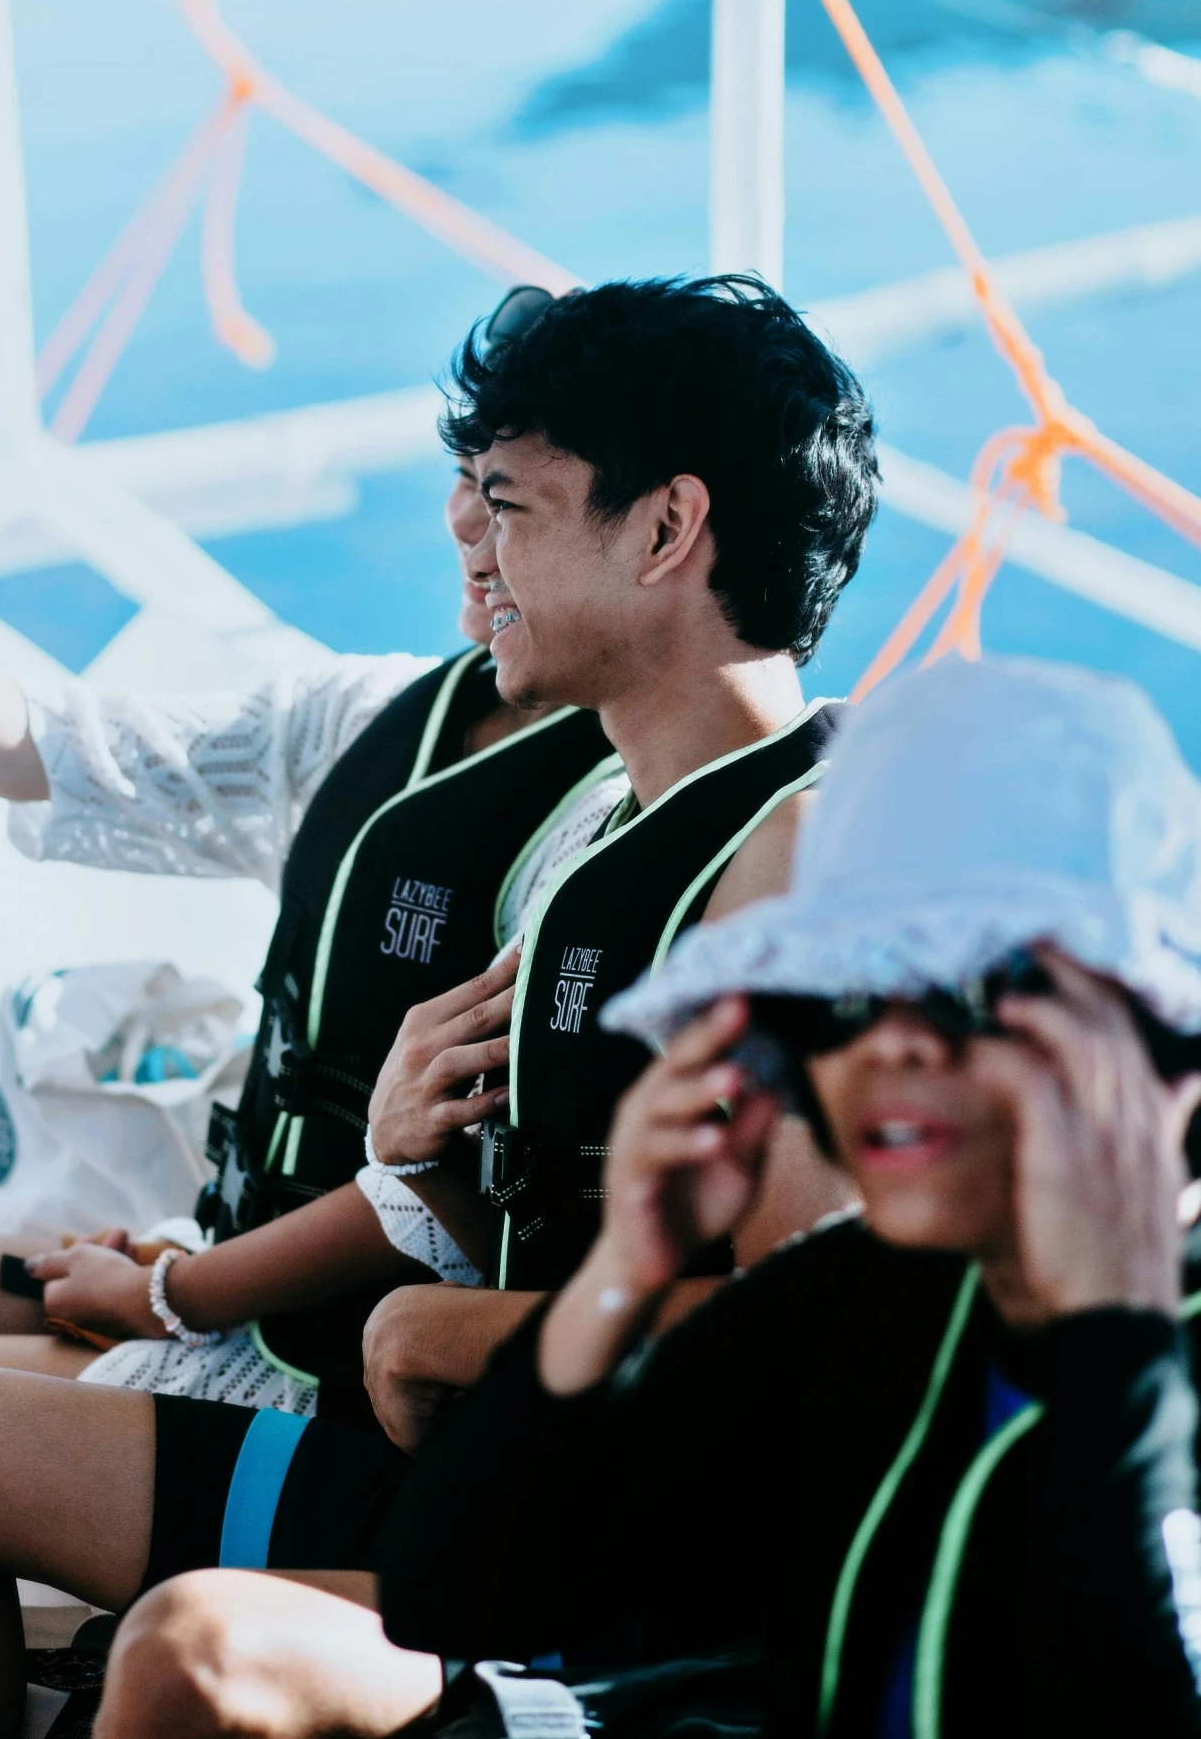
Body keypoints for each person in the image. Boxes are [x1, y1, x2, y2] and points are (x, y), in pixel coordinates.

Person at [0, 272, 879, 1739]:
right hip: (479, 1461)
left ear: (662, 528)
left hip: (646, 1577)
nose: (473, 544)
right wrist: (406, 1162)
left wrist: (432, 1337)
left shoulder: (799, 868)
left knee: (189, 1649)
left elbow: (815, 1349)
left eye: (510, 504)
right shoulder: (605, 829)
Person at [0, 289, 618, 1588]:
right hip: (206, 1255)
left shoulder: (609, 830)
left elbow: (445, 1203)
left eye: (506, 494)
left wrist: (181, 1293)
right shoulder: (365, 715)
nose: (464, 519)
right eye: (462, 476)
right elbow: (52, 751)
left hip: (292, 1343)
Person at [380, 654, 1201, 1739]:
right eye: (833, 1001)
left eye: (964, 991)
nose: (883, 1054)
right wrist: (621, 1275)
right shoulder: (870, 1286)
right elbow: (455, 1595)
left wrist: (1109, 1354)